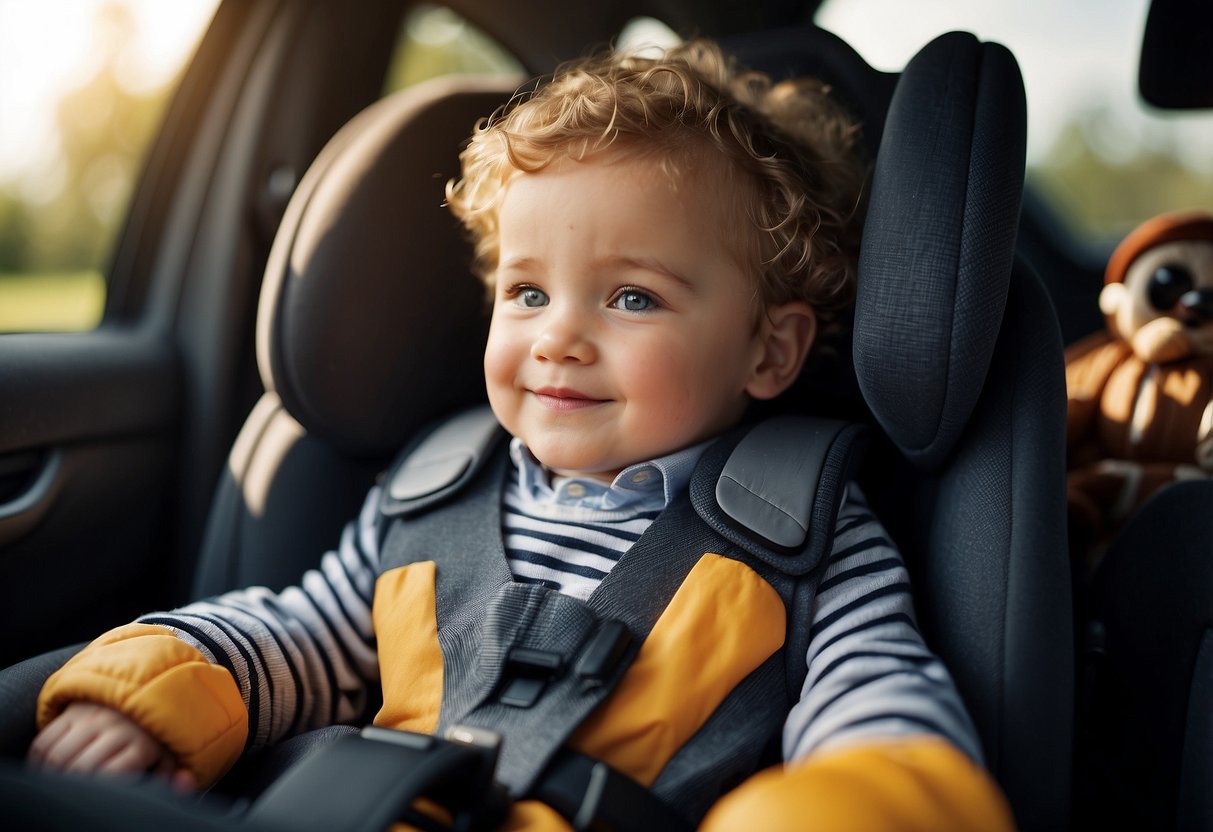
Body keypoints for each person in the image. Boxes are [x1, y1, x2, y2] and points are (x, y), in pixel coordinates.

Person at [26, 41, 1012, 830]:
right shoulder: (431, 488)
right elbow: (305, 633)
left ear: (768, 349)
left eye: (632, 296)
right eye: (527, 291)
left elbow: (871, 699)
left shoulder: (806, 534)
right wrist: (151, 693)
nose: (558, 337)